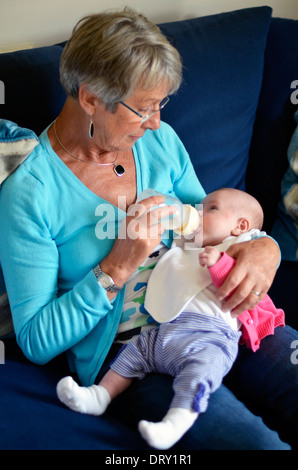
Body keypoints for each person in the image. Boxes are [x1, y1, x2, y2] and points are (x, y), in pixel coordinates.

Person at [0, 8, 296, 450]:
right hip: (137, 356)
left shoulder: (158, 141)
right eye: (144, 108)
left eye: (162, 105)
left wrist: (263, 246)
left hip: (222, 312)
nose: (157, 121)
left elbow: (215, 217)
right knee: (254, 445)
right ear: (90, 98)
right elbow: (37, 341)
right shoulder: (32, 194)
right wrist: (115, 268)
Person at [56, 188, 285, 449]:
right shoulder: (189, 245)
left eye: (209, 208)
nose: (198, 210)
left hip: (210, 337)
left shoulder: (232, 246)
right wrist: (114, 269)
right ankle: (99, 396)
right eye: (200, 206)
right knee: (133, 356)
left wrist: (255, 252)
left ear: (239, 227)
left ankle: (174, 424)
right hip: (164, 332)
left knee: (198, 375)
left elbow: (232, 280)